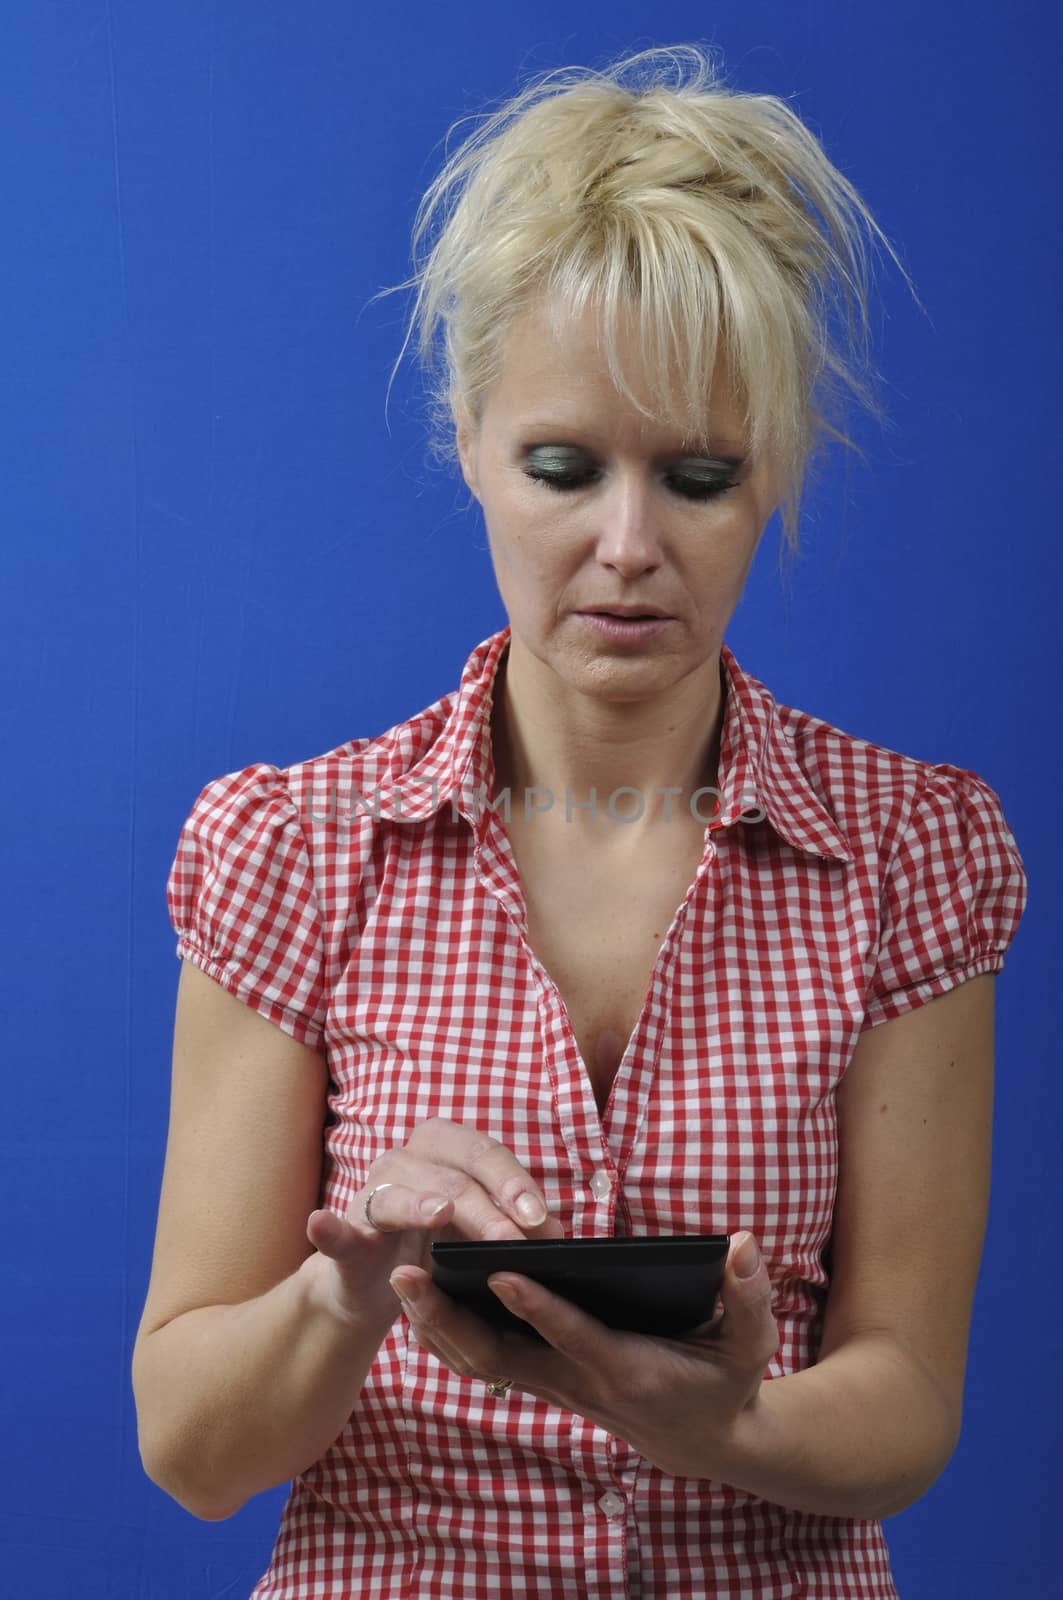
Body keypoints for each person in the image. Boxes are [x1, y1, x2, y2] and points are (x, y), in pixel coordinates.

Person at [132, 42, 1028, 1599]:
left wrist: (727, 1427)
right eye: (563, 466)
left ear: (772, 481)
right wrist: (345, 1290)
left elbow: (911, 1401)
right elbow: (194, 1453)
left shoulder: (910, 854)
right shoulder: (292, 848)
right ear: (469, 439)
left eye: (697, 475)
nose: (627, 545)